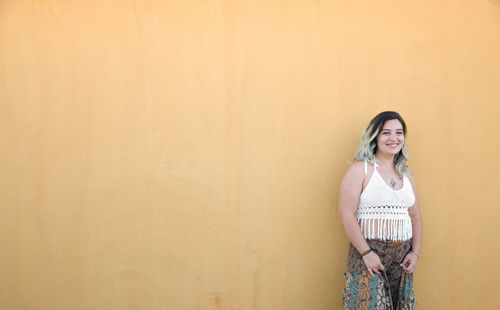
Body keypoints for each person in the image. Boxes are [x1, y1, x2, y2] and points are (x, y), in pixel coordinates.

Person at [339, 111, 422, 309]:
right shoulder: (361, 169)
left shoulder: (406, 173)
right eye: (386, 133)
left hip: (402, 259)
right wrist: (366, 252)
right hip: (369, 254)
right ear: (375, 136)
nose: (394, 138)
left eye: (399, 132)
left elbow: (415, 216)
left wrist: (415, 252)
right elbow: (346, 215)